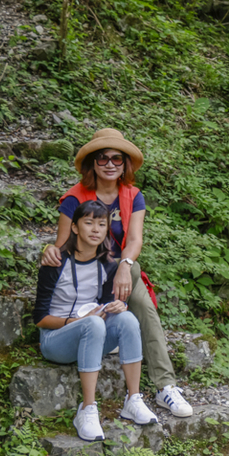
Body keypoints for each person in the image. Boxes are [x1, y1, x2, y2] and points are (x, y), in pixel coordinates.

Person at [40, 128, 193, 419]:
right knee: (143, 306)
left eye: (117, 159)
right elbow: (63, 245)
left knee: (134, 280)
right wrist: (48, 249)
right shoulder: (74, 198)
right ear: (92, 164)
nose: (110, 164)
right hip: (87, 275)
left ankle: (165, 387)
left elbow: (134, 240)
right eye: (103, 158)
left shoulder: (132, 195)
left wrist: (124, 266)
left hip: (119, 272)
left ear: (126, 165)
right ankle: (162, 385)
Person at [33, 199, 159, 442]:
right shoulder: (55, 263)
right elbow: (40, 319)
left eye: (101, 224)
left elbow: (103, 305)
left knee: (128, 318)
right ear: (75, 227)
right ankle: (87, 409)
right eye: (88, 223)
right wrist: (76, 322)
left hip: (92, 333)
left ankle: (133, 399)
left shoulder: (108, 265)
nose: (95, 229)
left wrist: (115, 306)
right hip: (56, 341)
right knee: (92, 323)